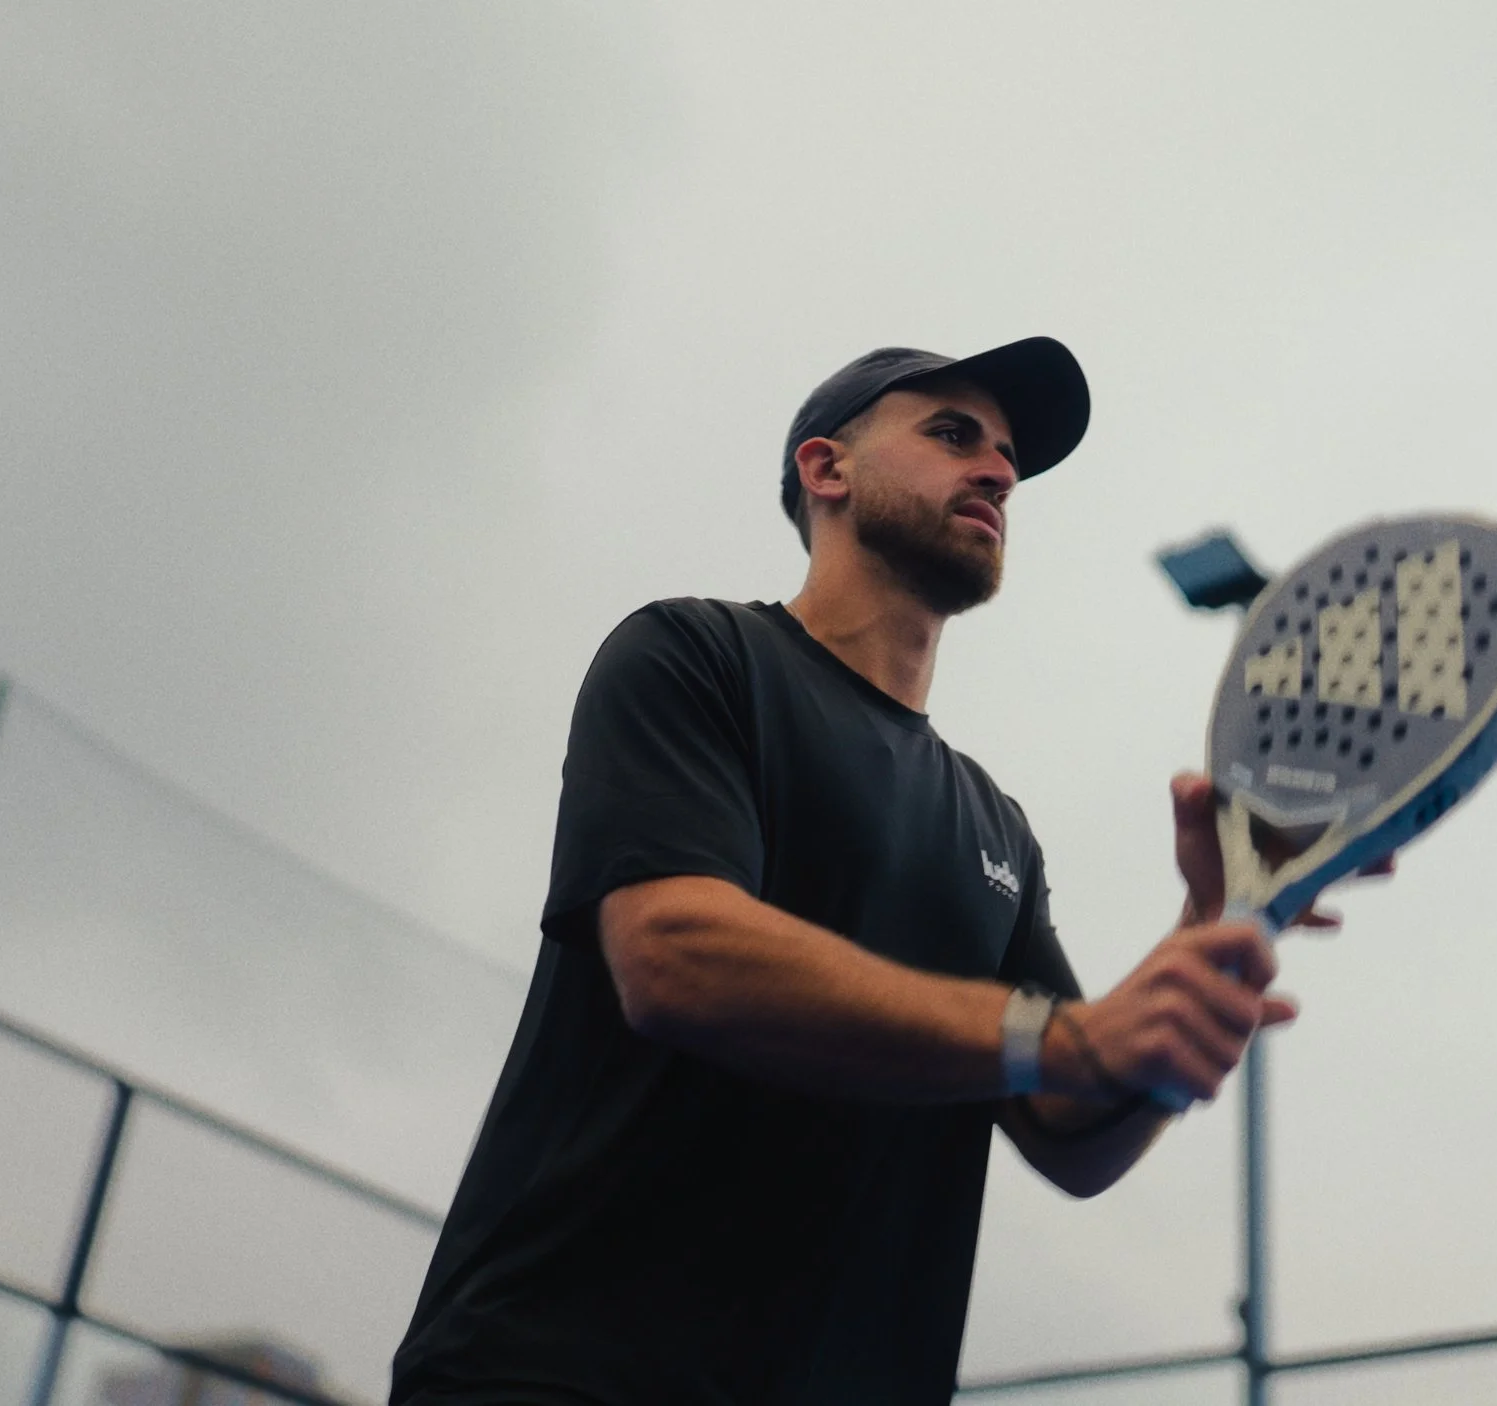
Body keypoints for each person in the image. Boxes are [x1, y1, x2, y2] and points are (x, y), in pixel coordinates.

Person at [390, 338, 1378, 1406]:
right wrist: (1059, 1037)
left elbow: (1074, 1134)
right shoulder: (692, 657)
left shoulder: (994, 824)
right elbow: (674, 954)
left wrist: (1223, 918)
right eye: (953, 435)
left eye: (1006, 455)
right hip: (558, 1371)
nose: (999, 471)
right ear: (827, 469)